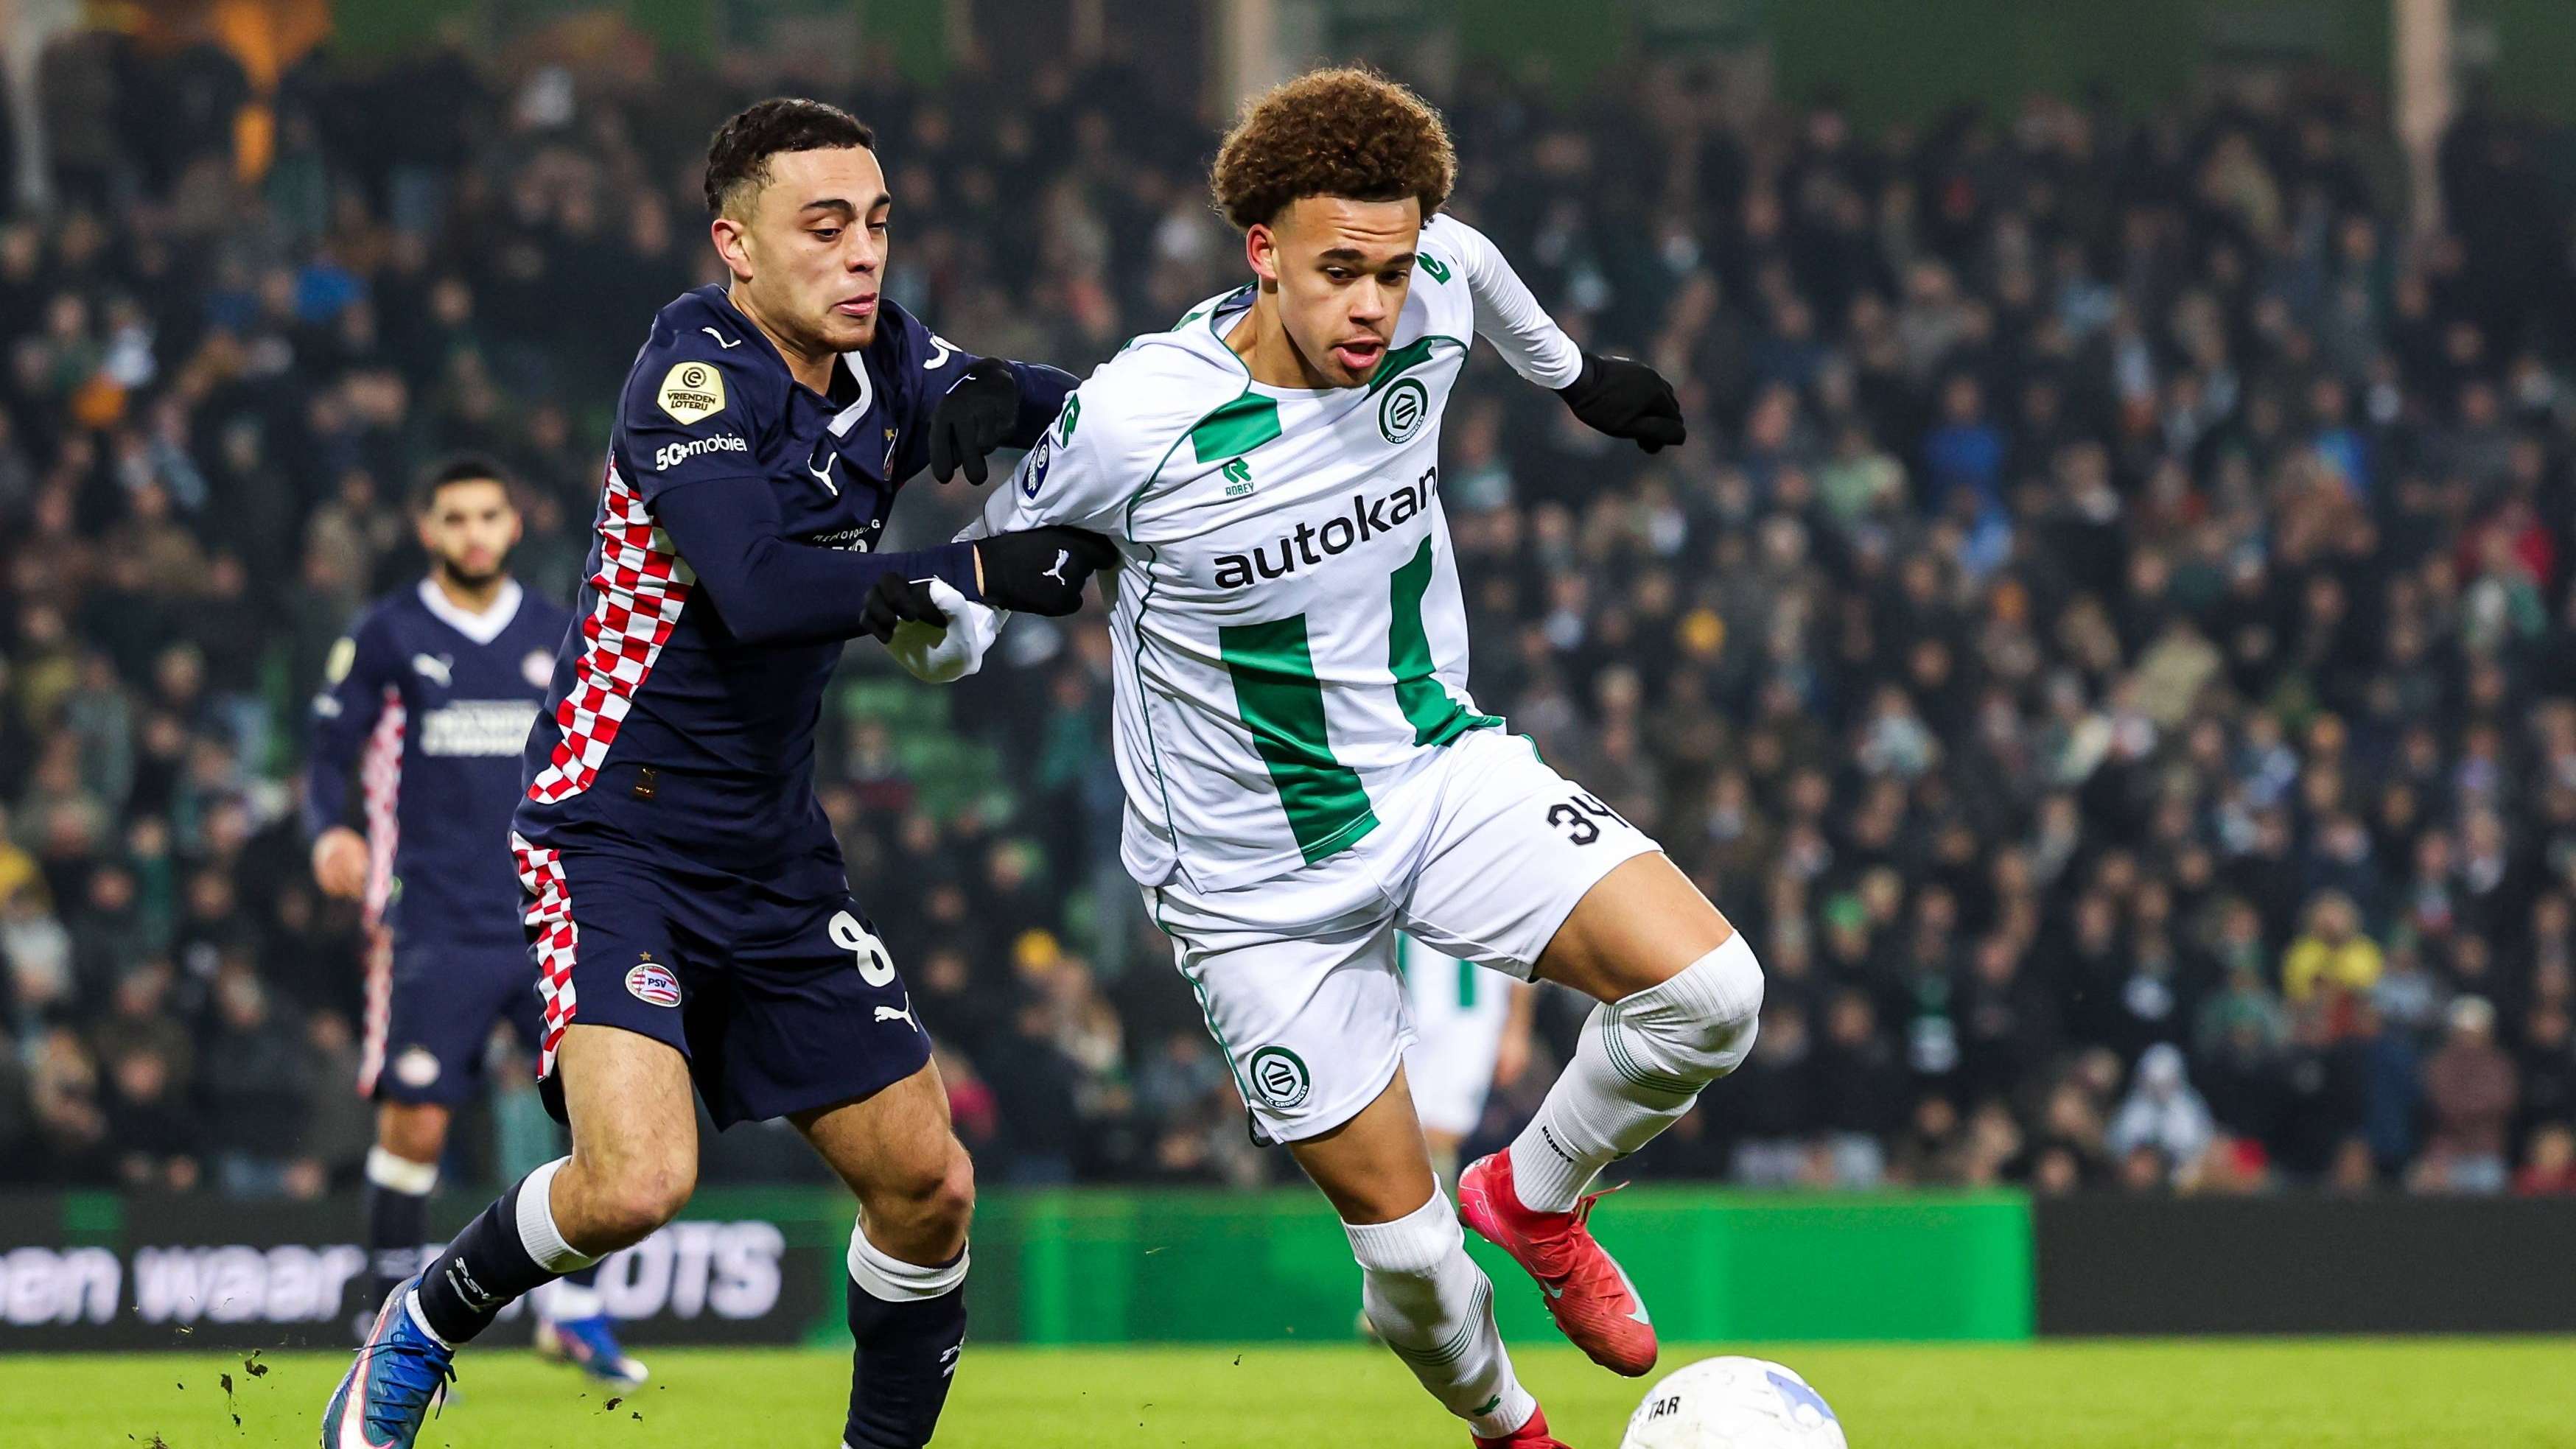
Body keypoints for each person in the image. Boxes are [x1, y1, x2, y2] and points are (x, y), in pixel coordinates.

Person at [878, 69, 1761, 1449]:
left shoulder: (1435, 282)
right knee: (1411, 1271)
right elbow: (962, 626)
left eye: (1390, 271)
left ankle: (1534, 1198)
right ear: (1263, 252)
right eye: (1339, 270)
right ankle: (1512, 1429)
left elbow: (1479, 274)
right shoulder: (1137, 418)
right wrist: (925, 604)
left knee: (1713, 995)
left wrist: (1577, 378)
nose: (1374, 304)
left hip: (1437, 772)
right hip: (1250, 892)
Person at [323, 98, 1116, 1449]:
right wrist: (976, 566)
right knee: (636, 1181)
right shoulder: (691, 374)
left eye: (877, 225)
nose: (862, 255)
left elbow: (1090, 414)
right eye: (824, 227)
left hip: (771, 849)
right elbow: (754, 587)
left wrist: (1032, 390)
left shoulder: (888, 354)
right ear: (736, 246)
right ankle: (419, 1325)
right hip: (610, 831)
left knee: (928, 1186)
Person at [302, 456, 642, 1383]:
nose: (474, 532)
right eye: (455, 517)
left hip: (549, 915)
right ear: (428, 529)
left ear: (513, 524)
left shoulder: (555, 629)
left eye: (488, 515)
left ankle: (574, 1312)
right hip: (431, 921)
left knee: (600, 1114)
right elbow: (330, 751)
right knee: (416, 1124)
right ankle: (386, 1313)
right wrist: (330, 831)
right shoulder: (388, 633)